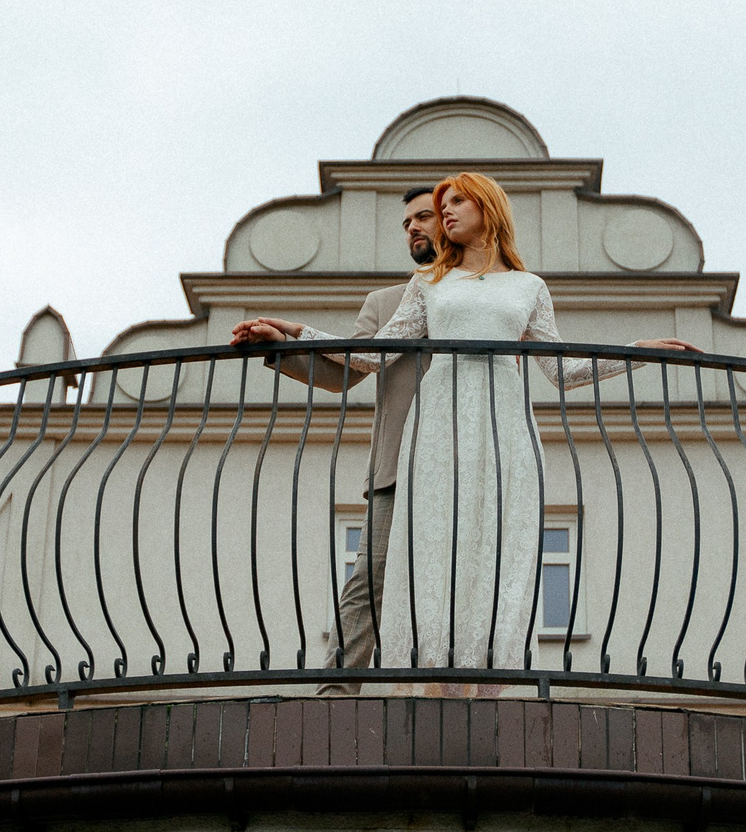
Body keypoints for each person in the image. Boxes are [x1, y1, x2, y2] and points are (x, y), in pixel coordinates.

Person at [284, 173, 697, 672]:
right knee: (430, 546)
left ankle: (488, 673)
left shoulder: (529, 287)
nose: (446, 211)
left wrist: (636, 352)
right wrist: (297, 334)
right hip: (438, 425)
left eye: (457, 201)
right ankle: (425, 671)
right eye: (442, 204)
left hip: (503, 428)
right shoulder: (428, 283)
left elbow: (562, 371)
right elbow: (374, 354)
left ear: (488, 207)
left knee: (496, 546)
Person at [230, 188, 440, 693]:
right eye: (406, 221)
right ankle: (334, 696)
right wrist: (284, 346)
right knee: (368, 583)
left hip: (471, 458)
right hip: (396, 468)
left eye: (425, 216)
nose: (413, 227)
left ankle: (459, 695)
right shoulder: (385, 302)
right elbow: (346, 371)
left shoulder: (490, 292)